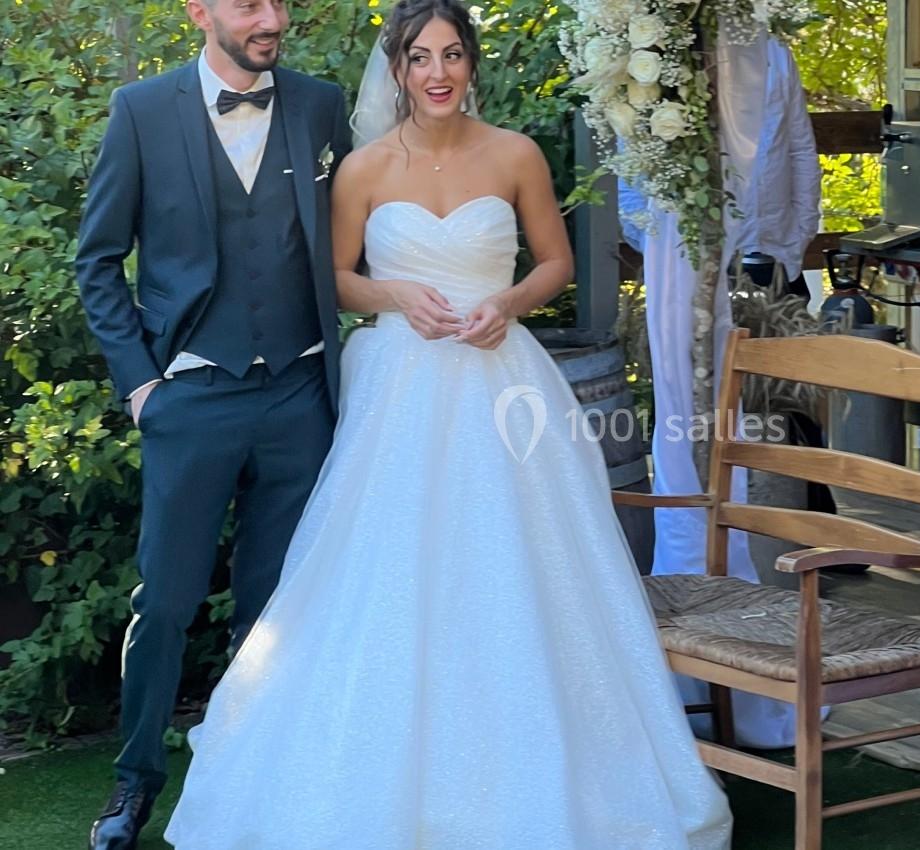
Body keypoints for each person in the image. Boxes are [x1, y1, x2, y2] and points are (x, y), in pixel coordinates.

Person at [161, 1, 733, 846]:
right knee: (387, 567)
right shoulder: (361, 168)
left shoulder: (515, 155)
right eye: (421, 57)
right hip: (400, 386)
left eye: (453, 55)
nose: (438, 72)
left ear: (471, 65)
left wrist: (505, 303)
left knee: (518, 565)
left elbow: (557, 262)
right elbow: (336, 276)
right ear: (397, 69)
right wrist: (393, 295)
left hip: (501, 381)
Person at [74, 0, 351, 846]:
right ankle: (133, 784)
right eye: (248, 4)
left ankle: (251, 778)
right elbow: (96, 262)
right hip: (189, 394)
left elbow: (360, 234)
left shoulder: (319, 104)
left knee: (274, 602)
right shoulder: (142, 111)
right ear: (199, 10)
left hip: (299, 392)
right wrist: (142, 386)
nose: (271, 17)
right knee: (165, 601)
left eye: (279, 2)